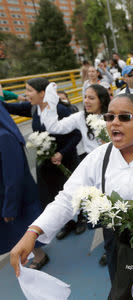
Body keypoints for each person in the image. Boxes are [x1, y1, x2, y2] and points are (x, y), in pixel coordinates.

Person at [10, 94, 133, 299]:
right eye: (110, 117)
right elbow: (68, 198)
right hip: (119, 244)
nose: (114, 123)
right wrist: (32, 232)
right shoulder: (98, 157)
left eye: (124, 117)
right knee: (125, 290)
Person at [3, 77, 81, 269]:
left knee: (73, 193)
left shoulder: (60, 110)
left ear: (42, 94)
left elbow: (76, 134)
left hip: (65, 162)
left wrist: (61, 153)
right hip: (47, 165)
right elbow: (9, 107)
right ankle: (68, 223)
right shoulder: (33, 109)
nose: (26, 95)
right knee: (55, 195)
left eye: (29, 91)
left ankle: (81, 221)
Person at [40, 84, 111, 238]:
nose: (86, 101)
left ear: (102, 100)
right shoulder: (80, 117)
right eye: (85, 97)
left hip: (114, 167)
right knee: (99, 210)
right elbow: (54, 127)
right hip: (94, 171)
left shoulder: (112, 115)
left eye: (91, 98)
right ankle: (108, 245)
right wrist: (52, 102)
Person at [0, 101, 42, 257]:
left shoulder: (4, 138)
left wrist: (9, 207)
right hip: (7, 197)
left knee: (25, 229)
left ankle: (39, 256)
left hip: (15, 197)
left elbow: (13, 177)